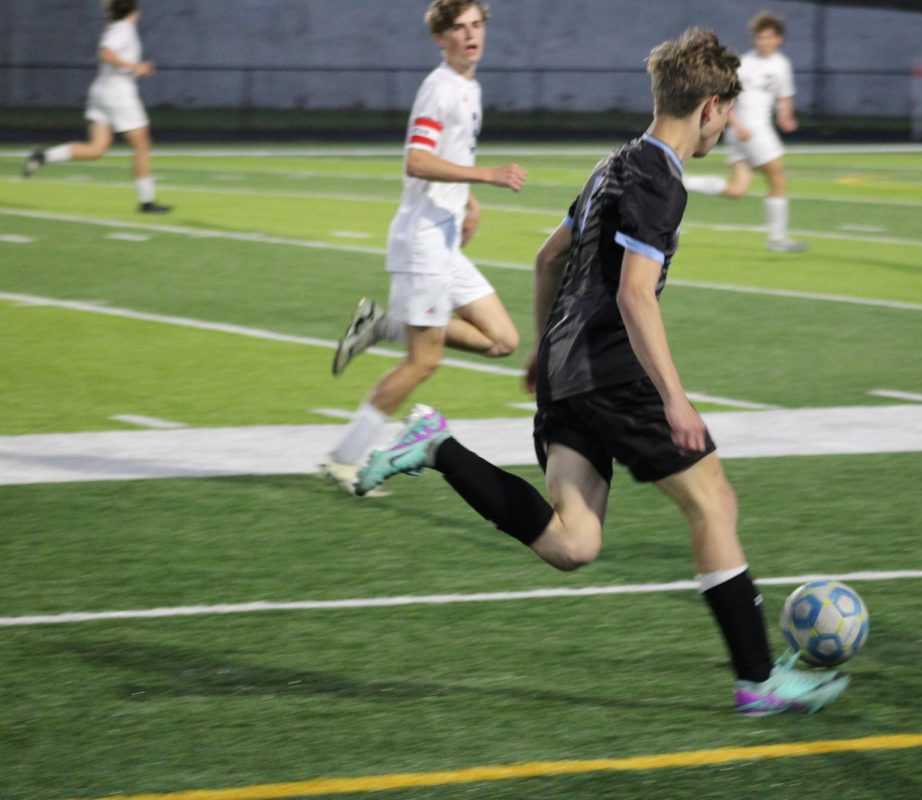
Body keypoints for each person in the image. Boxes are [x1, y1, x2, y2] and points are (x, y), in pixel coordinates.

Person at [354, 28, 849, 716]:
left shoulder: (611, 165)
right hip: (612, 374)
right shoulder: (660, 181)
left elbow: (546, 258)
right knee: (714, 504)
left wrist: (540, 348)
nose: (729, 127)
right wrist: (674, 399)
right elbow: (633, 294)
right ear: (709, 106)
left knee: (573, 543)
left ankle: (437, 445)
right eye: (727, 114)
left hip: (567, 371)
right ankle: (759, 680)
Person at [318, 0, 527, 495]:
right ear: (440, 38)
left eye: (477, 25)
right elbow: (417, 160)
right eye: (459, 28)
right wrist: (487, 176)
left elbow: (448, 155)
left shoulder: (468, 87)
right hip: (423, 244)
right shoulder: (440, 89)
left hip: (444, 241)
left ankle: (383, 324)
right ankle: (342, 458)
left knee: (502, 340)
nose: (471, 35)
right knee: (423, 361)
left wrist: (469, 200)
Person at [21, 0, 170, 214]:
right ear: (133, 11)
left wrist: (134, 68)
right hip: (119, 95)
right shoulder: (123, 30)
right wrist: (136, 67)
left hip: (101, 92)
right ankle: (147, 202)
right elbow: (106, 53)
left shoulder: (117, 28)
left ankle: (44, 156)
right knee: (142, 147)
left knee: (96, 149)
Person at [683, 11, 804, 252]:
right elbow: (725, 97)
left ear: (778, 39)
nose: (763, 42)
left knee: (737, 189)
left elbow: (784, 97)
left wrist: (785, 116)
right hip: (751, 130)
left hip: (753, 131)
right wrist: (736, 124)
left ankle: (684, 182)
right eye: (760, 37)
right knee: (779, 179)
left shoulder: (782, 65)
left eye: (768, 37)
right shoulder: (745, 63)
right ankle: (777, 239)